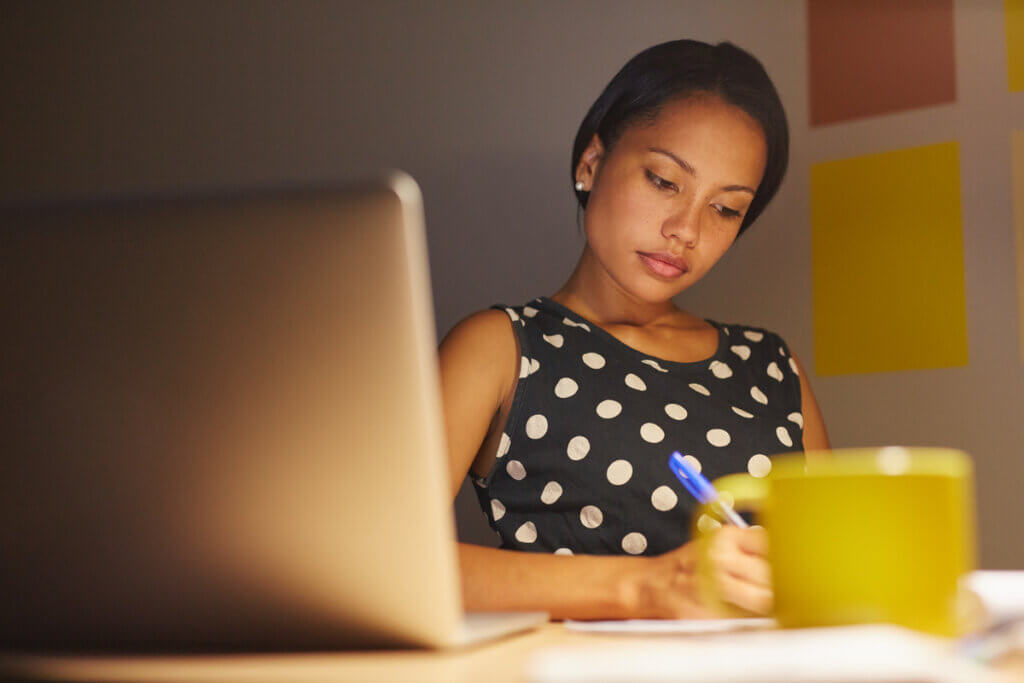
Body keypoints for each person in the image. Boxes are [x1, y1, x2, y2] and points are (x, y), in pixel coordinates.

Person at [438, 39, 830, 621]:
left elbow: (834, 566)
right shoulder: (501, 346)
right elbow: (382, 565)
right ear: (591, 162)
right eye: (664, 181)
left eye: (726, 209)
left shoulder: (772, 365)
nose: (686, 230)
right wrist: (649, 586)